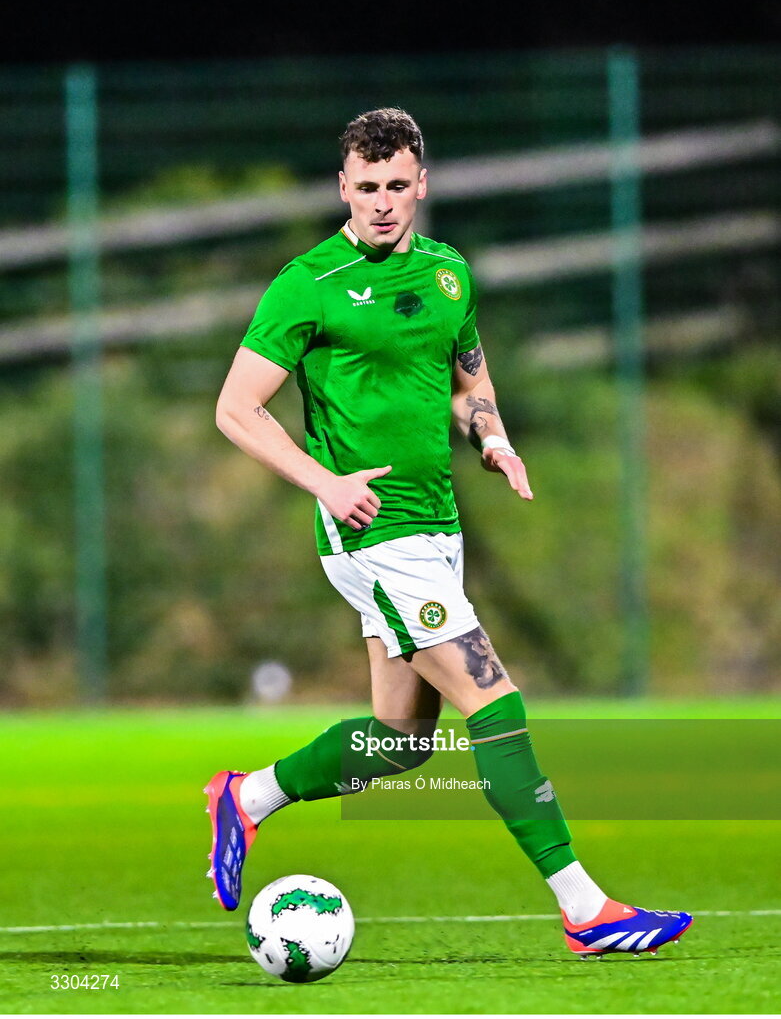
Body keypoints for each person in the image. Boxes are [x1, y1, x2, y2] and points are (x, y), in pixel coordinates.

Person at [206, 108, 692, 957]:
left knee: (400, 742)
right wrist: (324, 481)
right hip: (372, 534)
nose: (383, 203)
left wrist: (493, 438)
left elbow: (469, 381)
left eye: (398, 186)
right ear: (342, 188)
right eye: (367, 188)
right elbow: (235, 409)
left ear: (421, 184)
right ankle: (586, 911)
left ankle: (245, 799)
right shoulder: (307, 283)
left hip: (437, 523)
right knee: (494, 701)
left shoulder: (447, 274)